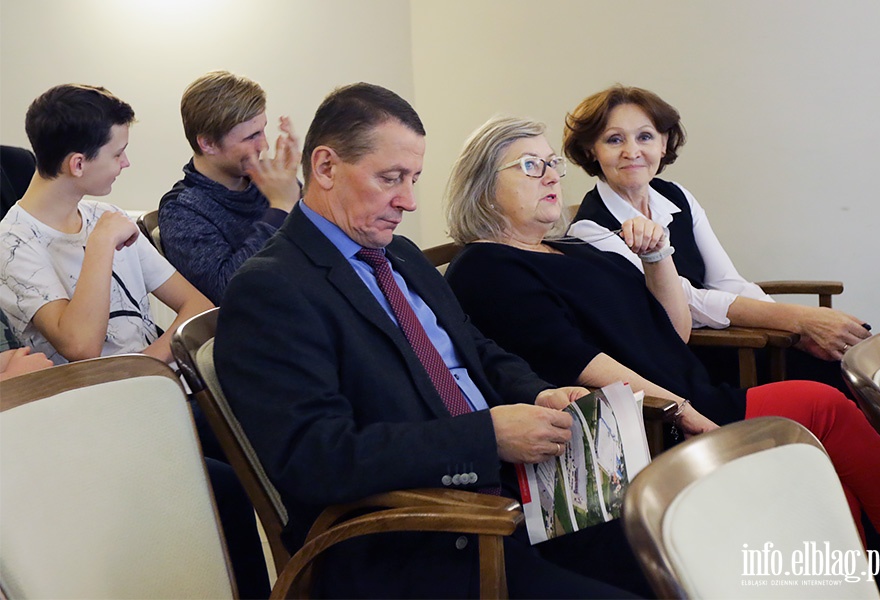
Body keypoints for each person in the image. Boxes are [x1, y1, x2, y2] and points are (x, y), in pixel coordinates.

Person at [216, 83, 655, 598]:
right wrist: (485, 435)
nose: (408, 200)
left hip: (515, 500)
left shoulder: (399, 254)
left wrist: (537, 392)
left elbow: (476, 351)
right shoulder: (272, 288)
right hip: (421, 537)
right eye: (391, 178)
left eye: (414, 178)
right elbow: (316, 457)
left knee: (676, 550)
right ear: (327, 167)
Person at [443, 116, 880, 546]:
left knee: (824, 437)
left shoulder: (569, 248)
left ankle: (863, 566)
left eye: (552, 164)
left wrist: (659, 254)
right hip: (650, 425)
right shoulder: (486, 267)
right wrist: (679, 410)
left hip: (689, 391)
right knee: (820, 406)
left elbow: (673, 328)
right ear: (483, 187)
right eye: (530, 166)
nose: (551, 176)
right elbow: (577, 362)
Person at [0, 84, 269, 598]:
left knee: (269, 447)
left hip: (157, 392)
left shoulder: (106, 216)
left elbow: (197, 306)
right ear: (78, 163)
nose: (126, 164)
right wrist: (99, 246)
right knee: (227, 488)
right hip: (93, 418)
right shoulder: (14, 243)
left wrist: (146, 366)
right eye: (118, 153)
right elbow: (80, 344)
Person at [562, 85, 870, 388]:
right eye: (614, 140)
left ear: (664, 143)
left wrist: (797, 336)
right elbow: (689, 301)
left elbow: (726, 281)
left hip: (739, 339)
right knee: (834, 384)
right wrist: (798, 319)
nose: (632, 152)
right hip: (685, 361)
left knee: (857, 370)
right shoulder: (590, 229)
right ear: (592, 149)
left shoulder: (677, 196)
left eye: (645, 137)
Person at [158, 70, 302, 305]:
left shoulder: (271, 181)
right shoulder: (181, 210)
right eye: (251, 137)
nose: (264, 145)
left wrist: (303, 191)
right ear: (208, 143)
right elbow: (229, 290)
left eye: (263, 130)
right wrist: (281, 208)